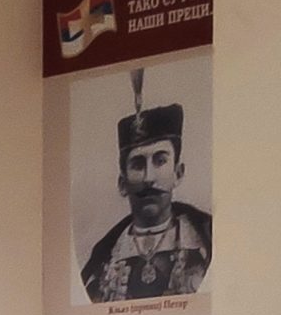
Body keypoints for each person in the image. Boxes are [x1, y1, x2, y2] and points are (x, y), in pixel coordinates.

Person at [81, 83, 213, 303]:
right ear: (122, 183)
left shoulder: (206, 244)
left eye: (160, 161)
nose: (148, 177)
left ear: (178, 173)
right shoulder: (103, 261)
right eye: (137, 164)